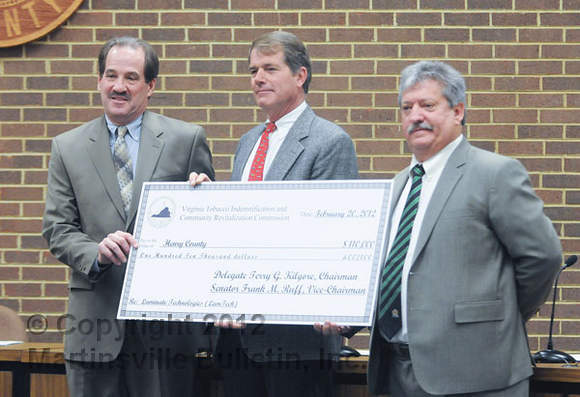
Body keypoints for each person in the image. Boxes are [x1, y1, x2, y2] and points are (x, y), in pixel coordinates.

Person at [366, 60, 562, 396]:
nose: (415, 116)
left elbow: (543, 258)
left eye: (428, 105)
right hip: (397, 373)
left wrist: (503, 317)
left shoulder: (494, 174)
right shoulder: (397, 186)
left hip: (477, 374)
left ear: (458, 112)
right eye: (407, 107)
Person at [42, 36, 214, 397]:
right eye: (111, 75)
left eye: (131, 77)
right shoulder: (67, 147)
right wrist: (95, 253)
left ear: (150, 86)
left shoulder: (186, 140)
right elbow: (57, 229)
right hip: (94, 326)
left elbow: (208, 233)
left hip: (166, 334)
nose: (119, 87)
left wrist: (205, 203)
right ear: (99, 80)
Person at [190, 31, 358, 397]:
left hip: (295, 341)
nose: (258, 79)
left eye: (269, 68)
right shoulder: (248, 142)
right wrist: (204, 208)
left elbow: (332, 240)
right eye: (253, 71)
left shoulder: (329, 142)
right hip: (236, 337)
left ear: (300, 75)